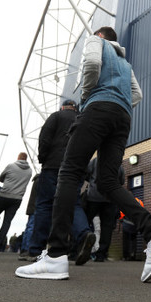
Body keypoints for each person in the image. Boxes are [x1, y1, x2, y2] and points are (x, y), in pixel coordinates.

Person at [16, 26, 151, 282]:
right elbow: (138, 94)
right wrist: (117, 101)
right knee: (108, 181)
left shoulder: (96, 42)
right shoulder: (125, 63)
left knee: (69, 172)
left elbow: (91, 63)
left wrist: (89, 97)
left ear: (101, 36)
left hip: (97, 108)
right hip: (123, 117)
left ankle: (56, 255)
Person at [25, 100, 95, 265]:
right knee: (74, 203)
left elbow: (44, 138)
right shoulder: (83, 119)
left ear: (62, 107)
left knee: (44, 205)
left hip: (53, 165)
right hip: (76, 168)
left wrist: (43, 159)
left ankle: (36, 249)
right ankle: (84, 234)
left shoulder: (55, 116)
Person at [84, 157, 122, 262]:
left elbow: (87, 173)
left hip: (94, 195)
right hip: (110, 197)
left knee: (86, 221)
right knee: (107, 227)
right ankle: (101, 254)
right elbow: (121, 180)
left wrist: (93, 181)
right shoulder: (117, 162)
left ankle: (79, 248)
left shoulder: (96, 160)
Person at [120, 196, 144, 261]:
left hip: (126, 222)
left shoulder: (126, 200)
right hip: (135, 224)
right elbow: (142, 212)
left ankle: (126, 256)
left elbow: (122, 212)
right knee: (134, 240)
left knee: (126, 240)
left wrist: (121, 219)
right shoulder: (140, 201)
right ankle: (133, 255)